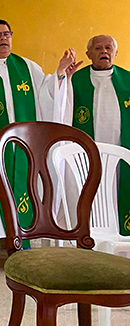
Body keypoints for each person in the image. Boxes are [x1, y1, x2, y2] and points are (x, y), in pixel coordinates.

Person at [0, 19, 77, 271]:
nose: (4, 39)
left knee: (24, 190)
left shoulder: (27, 67)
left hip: (24, 148)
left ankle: (20, 245)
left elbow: (47, 94)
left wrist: (60, 74)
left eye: (7, 34)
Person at [60, 35, 129, 235]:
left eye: (108, 48)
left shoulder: (128, 81)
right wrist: (64, 77)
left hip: (121, 155)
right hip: (85, 156)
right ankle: (88, 237)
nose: (104, 52)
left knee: (119, 193)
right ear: (88, 54)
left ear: (116, 53)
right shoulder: (75, 80)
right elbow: (61, 107)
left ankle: (119, 240)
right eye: (98, 48)